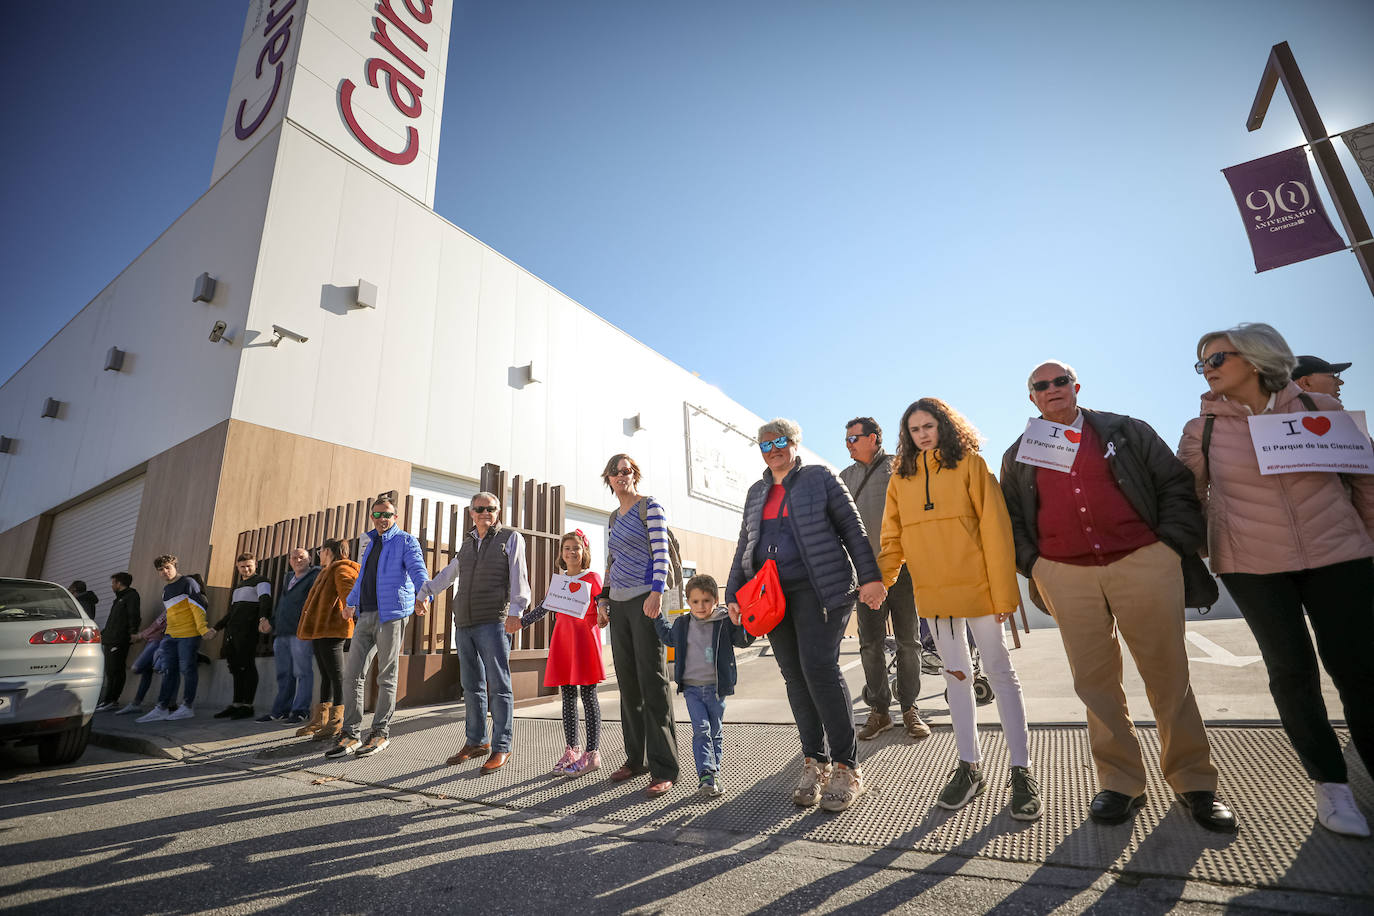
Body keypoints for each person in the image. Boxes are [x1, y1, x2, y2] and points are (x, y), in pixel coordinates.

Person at [1000, 361, 1235, 833]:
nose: (1052, 390)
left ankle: (1193, 781)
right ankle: (1120, 782)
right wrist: (1036, 565)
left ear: (1075, 387)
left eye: (1059, 381)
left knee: (1168, 675)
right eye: (1040, 386)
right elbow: (1012, 519)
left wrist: (1169, 546)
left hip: (1142, 561)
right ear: (1031, 399)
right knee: (1095, 683)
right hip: (1065, 574)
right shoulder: (1019, 453)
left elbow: (1175, 484)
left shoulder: (1126, 430)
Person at [1178, 323, 1374, 838]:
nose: (1209, 368)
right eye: (1203, 363)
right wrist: (1211, 551)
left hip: (1340, 555)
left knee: (1359, 669)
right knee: (1292, 673)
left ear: (1258, 357)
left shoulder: (1321, 412)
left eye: (1218, 357)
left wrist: (1368, 540)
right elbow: (1189, 500)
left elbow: (1365, 479)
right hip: (1254, 567)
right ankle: (1331, 787)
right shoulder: (1203, 431)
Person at [878, 398, 1039, 819]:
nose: (922, 434)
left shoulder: (971, 464)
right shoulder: (901, 479)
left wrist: (1005, 593)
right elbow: (892, 540)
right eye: (914, 429)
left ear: (945, 426)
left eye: (929, 425)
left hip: (981, 590)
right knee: (956, 680)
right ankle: (970, 767)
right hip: (935, 596)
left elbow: (996, 528)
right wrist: (881, 582)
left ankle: (1021, 770)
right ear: (907, 435)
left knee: (1000, 674)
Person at [725, 419, 887, 813]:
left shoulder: (819, 477)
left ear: (795, 443)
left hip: (821, 589)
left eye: (781, 441)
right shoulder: (756, 491)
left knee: (818, 668)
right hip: (772, 597)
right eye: (765, 443)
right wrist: (732, 592)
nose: (773, 448)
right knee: (794, 675)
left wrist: (870, 577)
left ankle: (847, 767)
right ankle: (815, 762)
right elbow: (746, 544)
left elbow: (853, 527)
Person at [418, 492, 530, 773]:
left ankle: (501, 746)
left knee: (499, 686)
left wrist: (517, 611)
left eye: (490, 509)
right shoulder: (467, 544)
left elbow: (519, 575)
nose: (485, 513)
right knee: (472, 686)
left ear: (498, 511)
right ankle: (476, 741)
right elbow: (449, 574)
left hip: (494, 621)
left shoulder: (510, 538)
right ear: (471, 513)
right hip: (464, 623)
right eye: (479, 509)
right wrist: (426, 592)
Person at [593, 454, 680, 798]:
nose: (621, 476)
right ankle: (635, 758)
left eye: (626, 471)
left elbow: (660, 552)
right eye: (615, 472)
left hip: (647, 599)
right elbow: (612, 560)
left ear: (635, 475)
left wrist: (657, 593)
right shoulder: (614, 517)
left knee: (653, 681)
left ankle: (664, 766)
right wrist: (603, 598)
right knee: (627, 682)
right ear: (608, 479)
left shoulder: (650, 507)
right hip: (619, 603)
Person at [839, 416, 929, 742]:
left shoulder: (899, 466)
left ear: (874, 438)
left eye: (853, 438)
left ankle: (910, 708)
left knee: (909, 642)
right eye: (846, 439)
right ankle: (879, 712)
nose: (847, 443)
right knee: (870, 645)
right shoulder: (844, 478)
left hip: (903, 571)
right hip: (864, 574)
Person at [327, 496, 429, 759]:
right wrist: (350, 603)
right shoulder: (370, 542)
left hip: (391, 615)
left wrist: (423, 594)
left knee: (386, 675)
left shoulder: (406, 540)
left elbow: (418, 569)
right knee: (352, 675)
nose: (382, 519)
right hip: (365, 615)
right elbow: (362, 577)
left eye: (387, 515)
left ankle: (380, 732)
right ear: (372, 517)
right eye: (377, 514)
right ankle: (350, 734)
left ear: (395, 517)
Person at [651, 573, 755, 797]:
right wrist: (656, 615)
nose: (701, 606)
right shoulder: (683, 623)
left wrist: (749, 620)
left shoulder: (724, 622)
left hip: (717, 689)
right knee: (702, 730)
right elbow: (669, 638)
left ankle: (714, 774)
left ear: (716, 601)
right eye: (695, 601)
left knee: (715, 732)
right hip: (692, 689)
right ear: (688, 602)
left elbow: (742, 640)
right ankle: (706, 774)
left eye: (706, 600)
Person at [516, 530, 605, 777]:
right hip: (563, 642)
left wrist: (605, 615)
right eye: (566, 548)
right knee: (567, 697)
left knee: (588, 697)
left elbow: (604, 607)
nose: (571, 552)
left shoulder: (593, 578)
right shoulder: (560, 580)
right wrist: (520, 623)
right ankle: (572, 750)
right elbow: (545, 607)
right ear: (562, 553)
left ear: (584, 551)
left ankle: (592, 753)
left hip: (585, 641)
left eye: (576, 547)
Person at [296, 538, 358, 741]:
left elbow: (350, 592)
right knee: (326, 675)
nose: (319, 554)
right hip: (321, 631)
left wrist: (349, 609)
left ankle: (337, 721)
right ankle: (320, 719)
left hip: (333, 630)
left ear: (328, 551)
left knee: (337, 676)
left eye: (320, 551)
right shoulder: (327, 571)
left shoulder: (341, 569)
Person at [137, 555, 208, 722]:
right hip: (170, 636)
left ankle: (187, 707)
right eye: (161, 570)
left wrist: (203, 629)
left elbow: (199, 607)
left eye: (168, 567)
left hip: (189, 635)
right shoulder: (165, 591)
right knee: (168, 670)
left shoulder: (188, 583)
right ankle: (162, 708)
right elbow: (170, 614)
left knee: (188, 669)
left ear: (175, 566)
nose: (165, 572)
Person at [205, 553, 273, 720]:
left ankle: (247, 706)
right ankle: (236, 704)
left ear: (255, 565)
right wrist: (216, 628)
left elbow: (265, 600)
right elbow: (233, 612)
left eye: (249, 565)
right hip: (232, 633)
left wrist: (263, 618)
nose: (246, 569)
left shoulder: (261, 581)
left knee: (247, 666)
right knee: (235, 668)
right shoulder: (238, 586)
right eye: (242, 566)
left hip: (248, 631)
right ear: (238, 567)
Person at [258, 547, 319, 724]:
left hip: (300, 633)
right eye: (294, 558)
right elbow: (283, 603)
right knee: (284, 674)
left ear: (309, 560)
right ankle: (281, 711)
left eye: (302, 557)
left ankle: (301, 711)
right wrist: (272, 622)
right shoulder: (288, 578)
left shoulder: (314, 575)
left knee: (302, 672)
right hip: (281, 633)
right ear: (290, 561)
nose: (298, 560)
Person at [96, 572, 140, 710]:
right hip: (110, 639)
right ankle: (108, 700)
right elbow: (113, 621)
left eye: (113, 582)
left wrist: (133, 632)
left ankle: (112, 700)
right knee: (110, 671)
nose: (112, 585)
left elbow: (134, 615)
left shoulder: (131, 596)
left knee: (116, 670)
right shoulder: (119, 598)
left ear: (119, 583)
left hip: (119, 640)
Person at [115, 610, 168, 715]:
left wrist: (141, 635)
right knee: (146, 672)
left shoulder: (173, 605)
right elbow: (156, 625)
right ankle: (136, 703)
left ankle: (163, 704)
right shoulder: (168, 606)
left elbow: (157, 626)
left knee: (137, 667)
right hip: (153, 641)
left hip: (158, 642)